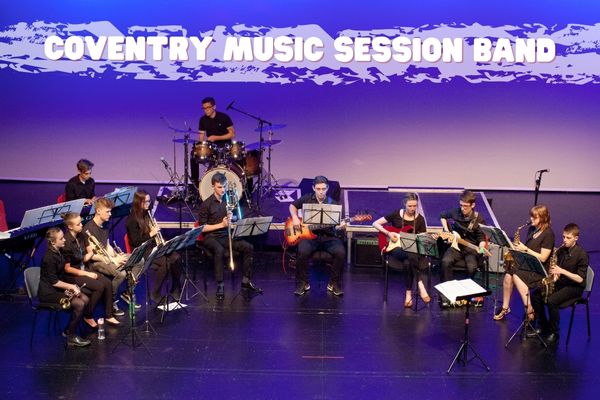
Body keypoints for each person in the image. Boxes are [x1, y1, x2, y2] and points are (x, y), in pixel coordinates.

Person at [197, 172, 261, 300]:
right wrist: (221, 224)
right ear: (213, 187)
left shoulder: (229, 199)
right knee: (219, 251)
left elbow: (236, 218)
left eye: (224, 187)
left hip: (226, 235)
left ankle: (246, 280)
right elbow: (202, 228)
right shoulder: (206, 204)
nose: (223, 190)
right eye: (220, 187)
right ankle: (220, 284)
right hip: (211, 237)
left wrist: (233, 218)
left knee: (248, 247)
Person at [493, 204, 555, 321]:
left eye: (534, 217)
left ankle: (529, 308)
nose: (531, 219)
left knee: (516, 275)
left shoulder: (549, 234)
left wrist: (525, 249)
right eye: (531, 216)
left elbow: (543, 258)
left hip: (539, 269)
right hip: (528, 264)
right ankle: (505, 307)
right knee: (508, 275)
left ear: (543, 218)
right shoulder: (532, 229)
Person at [529, 223, 588, 344]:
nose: (564, 240)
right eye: (563, 237)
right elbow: (558, 270)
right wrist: (555, 276)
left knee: (552, 301)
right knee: (536, 294)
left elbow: (580, 279)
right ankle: (543, 325)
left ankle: (554, 332)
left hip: (575, 288)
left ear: (576, 238)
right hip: (562, 283)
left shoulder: (582, 254)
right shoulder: (561, 251)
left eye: (568, 238)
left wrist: (562, 271)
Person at [62, 212, 123, 327]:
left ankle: (109, 315)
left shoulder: (82, 235)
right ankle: (88, 315)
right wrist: (86, 272)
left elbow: (88, 253)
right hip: (72, 274)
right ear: (70, 227)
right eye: (78, 224)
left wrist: (86, 256)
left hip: (82, 267)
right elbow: (68, 268)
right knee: (99, 286)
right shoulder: (66, 242)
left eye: (81, 223)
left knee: (108, 282)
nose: (81, 225)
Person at [289, 175, 346, 296]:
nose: (321, 192)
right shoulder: (307, 198)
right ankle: (303, 283)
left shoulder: (333, 203)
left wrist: (340, 226)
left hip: (328, 237)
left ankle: (333, 283)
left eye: (323, 189)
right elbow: (292, 206)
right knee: (302, 251)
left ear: (327, 188)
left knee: (340, 252)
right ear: (313, 188)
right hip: (309, 237)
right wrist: (294, 217)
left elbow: (335, 226)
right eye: (318, 189)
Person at [373, 192, 431, 307]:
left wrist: (428, 239)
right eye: (410, 206)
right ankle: (420, 284)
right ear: (404, 204)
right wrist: (388, 233)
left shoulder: (420, 219)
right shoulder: (396, 214)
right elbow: (375, 223)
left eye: (415, 206)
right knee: (409, 256)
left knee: (408, 261)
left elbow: (424, 240)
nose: (412, 208)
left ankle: (408, 294)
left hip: (413, 250)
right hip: (396, 248)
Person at [84, 197, 141, 312]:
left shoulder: (105, 225)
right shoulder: (88, 229)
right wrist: (112, 260)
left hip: (107, 257)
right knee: (121, 273)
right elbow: (92, 256)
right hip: (96, 262)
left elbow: (107, 245)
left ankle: (128, 291)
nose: (110, 214)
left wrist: (116, 256)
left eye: (110, 211)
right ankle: (111, 301)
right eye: (108, 211)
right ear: (98, 211)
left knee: (139, 259)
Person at [38, 227, 91, 347]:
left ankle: (68, 330)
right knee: (79, 304)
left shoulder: (60, 251)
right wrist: (72, 286)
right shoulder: (49, 258)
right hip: (49, 293)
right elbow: (54, 282)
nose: (64, 240)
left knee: (85, 299)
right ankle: (71, 336)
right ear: (53, 242)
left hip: (58, 289)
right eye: (61, 239)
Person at [126, 190, 182, 303]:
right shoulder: (131, 220)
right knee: (165, 263)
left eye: (149, 201)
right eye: (145, 202)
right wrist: (151, 234)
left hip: (152, 246)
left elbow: (151, 235)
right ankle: (155, 293)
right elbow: (135, 242)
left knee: (176, 257)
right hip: (141, 250)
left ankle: (175, 288)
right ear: (138, 202)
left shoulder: (146, 213)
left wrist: (161, 240)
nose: (148, 204)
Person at [439, 190, 487, 306]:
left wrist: (481, 248)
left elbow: (481, 239)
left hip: (471, 248)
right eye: (461, 205)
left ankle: (464, 292)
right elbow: (442, 216)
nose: (462, 209)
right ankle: (449, 291)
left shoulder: (479, 218)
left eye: (465, 206)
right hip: (456, 245)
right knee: (445, 261)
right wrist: (447, 231)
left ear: (473, 205)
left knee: (472, 267)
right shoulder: (456, 212)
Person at [191, 97, 235, 187]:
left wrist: (216, 137)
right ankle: (195, 185)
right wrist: (200, 147)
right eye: (204, 108)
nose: (206, 110)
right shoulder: (203, 120)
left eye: (208, 107)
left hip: (225, 146)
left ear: (214, 107)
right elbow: (201, 136)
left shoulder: (224, 117)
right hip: (212, 147)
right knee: (193, 157)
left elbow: (232, 134)